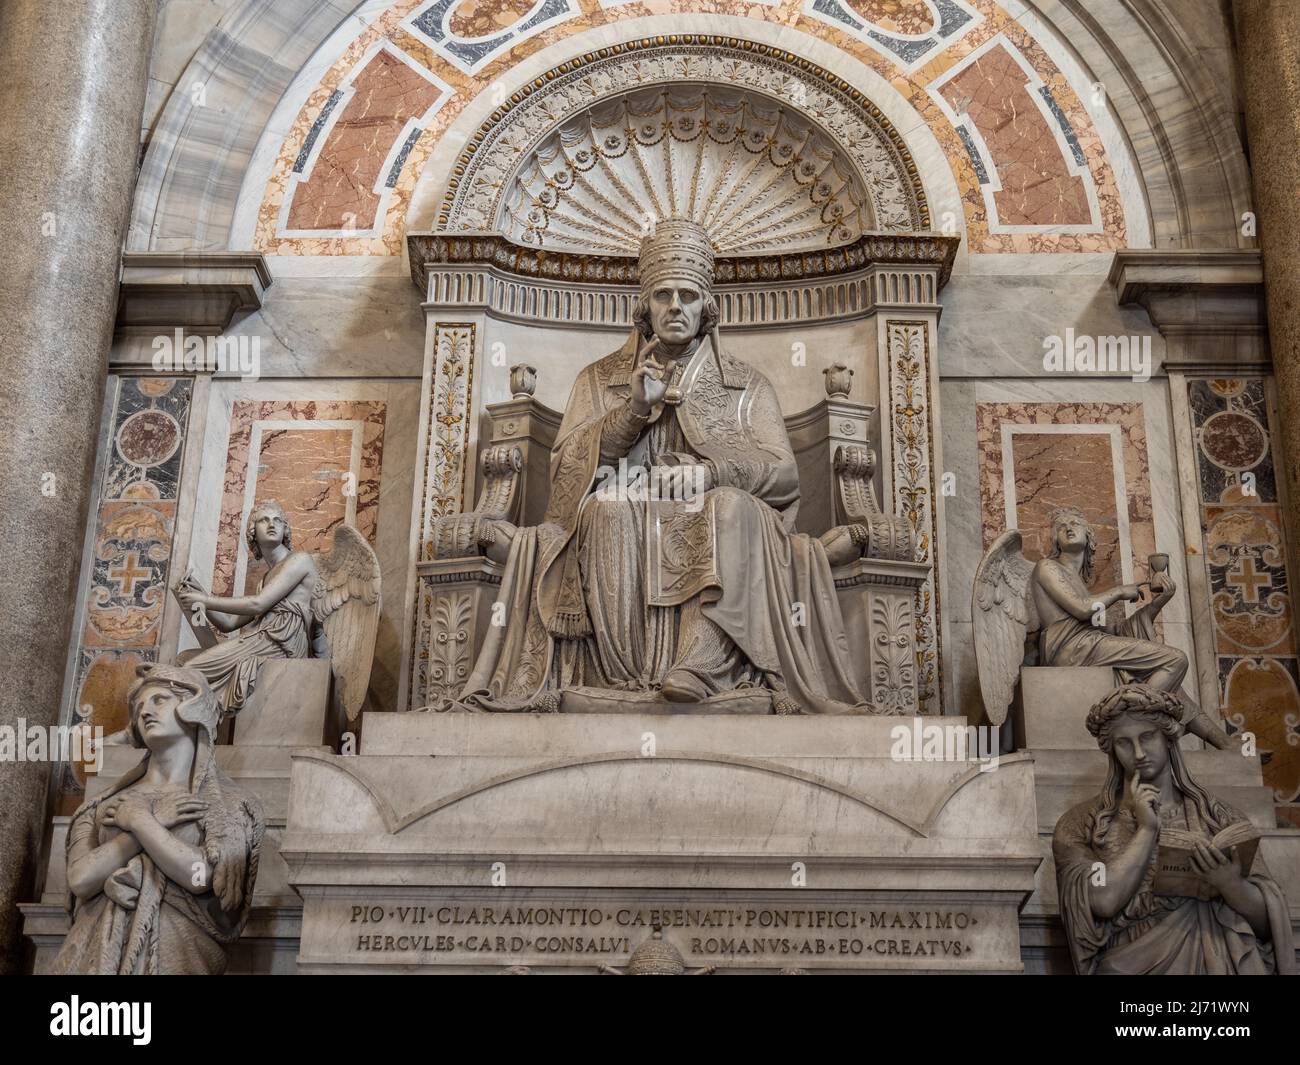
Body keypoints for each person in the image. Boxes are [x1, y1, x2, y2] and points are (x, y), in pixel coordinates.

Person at [1052, 684, 1292, 974]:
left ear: (1168, 739)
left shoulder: (1220, 818)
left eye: (1147, 737)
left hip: (1214, 960)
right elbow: (1103, 900)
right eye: (1124, 743)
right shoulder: (1083, 823)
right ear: (1111, 750)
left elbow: (1270, 923)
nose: (1138, 753)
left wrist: (1230, 885)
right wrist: (1146, 830)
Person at [52, 664, 264, 974]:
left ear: (194, 708)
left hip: (177, 954)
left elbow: (201, 877)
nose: (145, 712)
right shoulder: (103, 804)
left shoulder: (230, 807)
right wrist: (144, 828)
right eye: (139, 707)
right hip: (94, 955)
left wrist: (142, 822)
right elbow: (81, 879)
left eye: (159, 700)